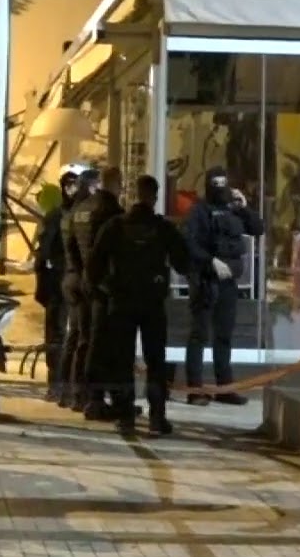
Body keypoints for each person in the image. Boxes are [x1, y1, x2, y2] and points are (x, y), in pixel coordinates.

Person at [88, 175, 189, 436]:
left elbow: (94, 266)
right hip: (152, 303)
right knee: (156, 360)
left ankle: (125, 416)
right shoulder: (163, 228)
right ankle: (157, 416)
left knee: (122, 360)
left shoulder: (115, 226)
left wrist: (105, 290)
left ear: (133, 195)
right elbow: (183, 262)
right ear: (155, 197)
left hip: (121, 302)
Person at [182, 166, 264, 406]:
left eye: (223, 183)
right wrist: (211, 261)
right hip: (205, 280)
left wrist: (245, 207)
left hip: (228, 282)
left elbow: (258, 229)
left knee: (224, 336)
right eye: (215, 183)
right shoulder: (199, 211)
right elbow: (188, 242)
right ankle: (195, 390)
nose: (220, 188)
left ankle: (224, 388)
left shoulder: (233, 208)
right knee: (199, 335)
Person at [61, 166, 124, 420]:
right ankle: (94, 398)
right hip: (101, 286)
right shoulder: (110, 210)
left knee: (81, 339)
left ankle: (78, 395)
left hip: (79, 279)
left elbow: (70, 247)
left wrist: (81, 272)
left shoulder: (79, 210)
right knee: (98, 342)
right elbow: (114, 252)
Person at [35, 165, 82, 404]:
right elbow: (43, 253)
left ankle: (70, 383)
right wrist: (42, 284)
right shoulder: (55, 216)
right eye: (68, 185)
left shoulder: (81, 214)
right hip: (58, 282)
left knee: (74, 334)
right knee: (57, 334)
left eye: (75, 185)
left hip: (76, 280)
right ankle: (55, 383)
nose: (72, 190)